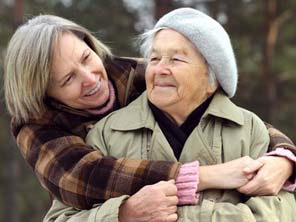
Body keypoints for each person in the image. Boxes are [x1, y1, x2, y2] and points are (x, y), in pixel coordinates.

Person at [3, 12, 295, 220]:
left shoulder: (138, 73)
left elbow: (235, 118)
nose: (91, 79)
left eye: (86, 58)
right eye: (68, 79)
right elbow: (84, 178)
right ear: (45, 94)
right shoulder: (42, 125)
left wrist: (284, 157)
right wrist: (125, 213)